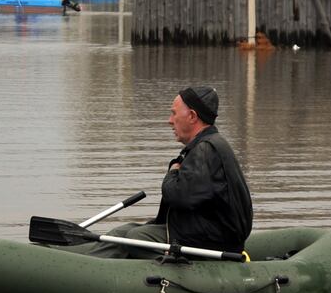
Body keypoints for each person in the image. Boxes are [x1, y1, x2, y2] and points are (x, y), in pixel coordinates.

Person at [64, 86, 253, 259]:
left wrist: (172, 174)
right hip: (199, 230)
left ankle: (175, 269)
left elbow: (179, 197)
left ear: (193, 116)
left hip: (214, 239)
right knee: (123, 232)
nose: (169, 121)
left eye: (173, 114)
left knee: (137, 237)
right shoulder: (206, 145)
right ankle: (75, 260)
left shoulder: (206, 150)